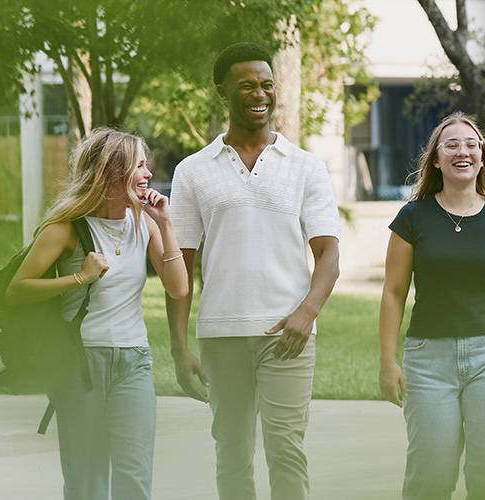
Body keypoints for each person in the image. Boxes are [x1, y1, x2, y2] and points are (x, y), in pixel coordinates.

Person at [167, 42, 342, 500]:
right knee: (232, 453)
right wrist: (179, 346)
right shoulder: (192, 171)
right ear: (223, 92)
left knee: (286, 451)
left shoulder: (306, 167)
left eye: (267, 85)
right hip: (220, 333)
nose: (259, 94)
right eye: (247, 86)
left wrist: (307, 312)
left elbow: (328, 254)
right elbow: (179, 266)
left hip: (287, 333)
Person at [5, 128, 190, 500]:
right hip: (80, 364)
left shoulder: (147, 225)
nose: (148, 174)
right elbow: (16, 290)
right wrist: (79, 277)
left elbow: (179, 288)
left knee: (135, 478)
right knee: (86, 482)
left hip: (133, 362)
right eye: (139, 165)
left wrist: (166, 223)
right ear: (112, 172)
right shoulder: (66, 228)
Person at [378, 112, 485, 500]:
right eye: (451, 144)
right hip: (427, 361)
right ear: (436, 160)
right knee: (429, 480)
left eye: (471, 144)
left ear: (483, 157)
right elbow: (393, 291)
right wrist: (388, 362)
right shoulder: (412, 217)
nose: (462, 151)